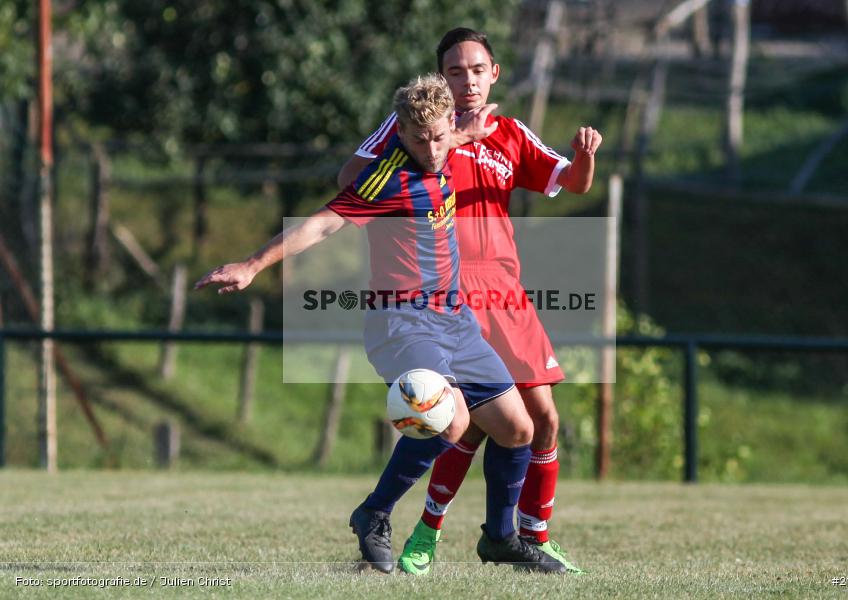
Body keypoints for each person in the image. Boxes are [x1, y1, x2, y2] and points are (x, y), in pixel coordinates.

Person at [195, 73, 566, 574]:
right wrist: (252, 265)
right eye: (419, 139)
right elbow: (324, 222)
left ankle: (500, 538)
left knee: (518, 428)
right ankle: (375, 511)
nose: (432, 149)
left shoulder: (448, 145)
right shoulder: (387, 178)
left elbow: (451, 137)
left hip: (455, 320)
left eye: (439, 136)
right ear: (401, 135)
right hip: (403, 322)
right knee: (452, 420)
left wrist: (467, 133)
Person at [338, 28, 602, 576]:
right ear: (440, 80)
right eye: (454, 72)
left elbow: (571, 183)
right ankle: (422, 532)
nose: (466, 81)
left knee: (540, 418)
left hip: (505, 292)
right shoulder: (418, 129)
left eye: (476, 70)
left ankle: (527, 536)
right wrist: (453, 138)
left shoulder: (508, 132)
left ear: (494, 74)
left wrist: (583, 158)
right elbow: (352, 181)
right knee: (460, 420)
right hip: (444, 295)